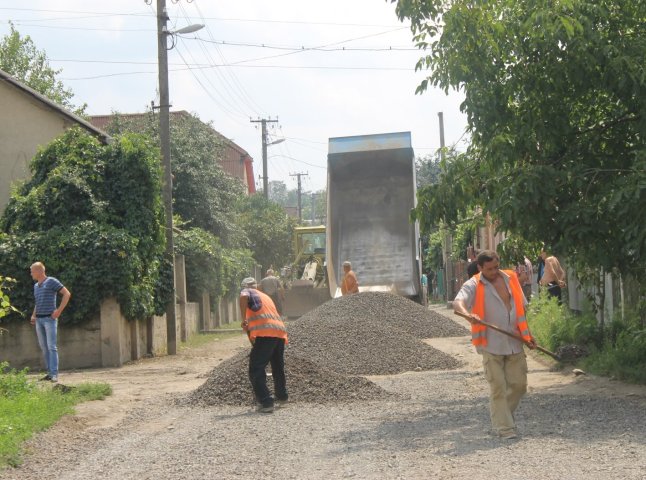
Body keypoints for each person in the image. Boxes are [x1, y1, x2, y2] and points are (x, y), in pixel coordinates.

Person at [453, 250, 536, 439]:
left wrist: (528, 335)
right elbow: (458, 303)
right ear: (480, 267)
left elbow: (521, 310)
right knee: (498, 386)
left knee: (519, 385)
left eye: (496, 267)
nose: (494, 271)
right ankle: (505, 428)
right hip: (491, 344)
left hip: (514, 341)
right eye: (489, 269)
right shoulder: (473, 284)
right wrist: (468, 315)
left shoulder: (511, 279)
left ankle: (501, 416)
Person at [239, 277, 288, 413]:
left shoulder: (247, 292)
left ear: (245, 287)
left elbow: (243, 296)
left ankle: (266, 402)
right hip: (279, 332)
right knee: (277, 365)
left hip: (266, 333)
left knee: (255, 368)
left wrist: (243, 320)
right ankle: (282, 396)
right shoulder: (265, 296)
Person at [30, 262, 71, 383]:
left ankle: (54, 374)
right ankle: (49, 373)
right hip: (39, 320)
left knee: (52, 347)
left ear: (39, 271)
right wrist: (33, 315)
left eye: (32, 271)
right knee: (44, 347)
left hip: (50, 320)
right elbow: (38, 302)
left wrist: (58, 311)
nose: (31, 273)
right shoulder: (36, 286)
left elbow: (67, 294)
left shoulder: (51, 281)